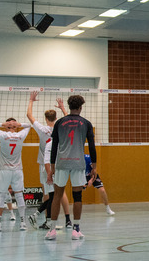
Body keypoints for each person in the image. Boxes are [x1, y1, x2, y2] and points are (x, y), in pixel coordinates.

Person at [46, 94, 97, 240]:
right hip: (78, 163)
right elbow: (92, 147)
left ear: (69, 106)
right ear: (80, 107)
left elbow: (54, 146)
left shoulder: (59, 122)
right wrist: (94, 166)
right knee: (77, 196)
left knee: (57, 195)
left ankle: (52, 230)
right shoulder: (86, 123)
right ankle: (76, 230)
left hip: (62, 163)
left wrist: (52, 166)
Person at [27, 91, 71, 230]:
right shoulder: (61, 129)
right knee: (58, 193)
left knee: (50, 194)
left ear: (46, 118)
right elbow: (69, 119)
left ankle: (45, 218)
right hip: (58, 164)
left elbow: (29, 115)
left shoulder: (42, 129)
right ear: (56, 118)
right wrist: (62, 107)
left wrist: (31, 100)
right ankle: (56, 220)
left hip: (44, 166)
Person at [0, 118, 32, 231]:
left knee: (1, 196)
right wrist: (18, 125)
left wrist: (3, 124)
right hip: (17, 170)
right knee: (19, 195)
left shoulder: (3, 135)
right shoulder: (20, 135)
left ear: (6, 126)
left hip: (4, 170)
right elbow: (29, 125)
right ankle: (23, 223)